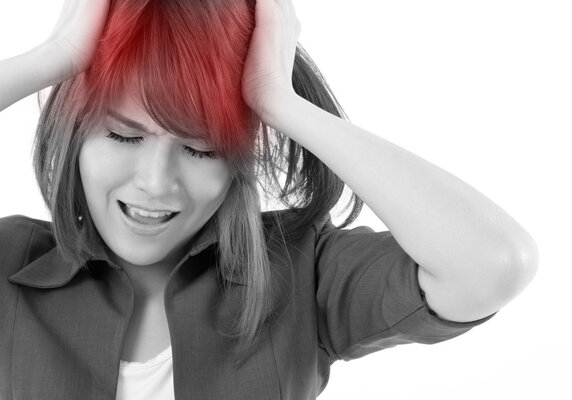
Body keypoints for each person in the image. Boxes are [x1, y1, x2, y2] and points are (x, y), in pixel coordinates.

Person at [0, 0, 539, 399]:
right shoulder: (10, 263)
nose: (156, 183)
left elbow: (493, 263)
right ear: (74, 131)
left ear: (239, 157)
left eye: (202, 149)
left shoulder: (301, 269)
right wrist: (52, 58)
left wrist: (277, 102)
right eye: (123, 136)